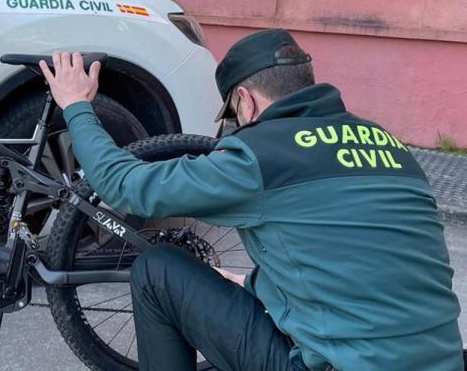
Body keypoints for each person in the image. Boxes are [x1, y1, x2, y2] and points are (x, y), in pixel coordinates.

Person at [39, 29, 462, 371]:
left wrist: (76, 106)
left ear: (245, 101)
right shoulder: (391, 147)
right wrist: (255, 286)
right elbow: (356, 256)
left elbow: (124, 185)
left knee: (157, 269)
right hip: (442, 360)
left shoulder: (260, 154)